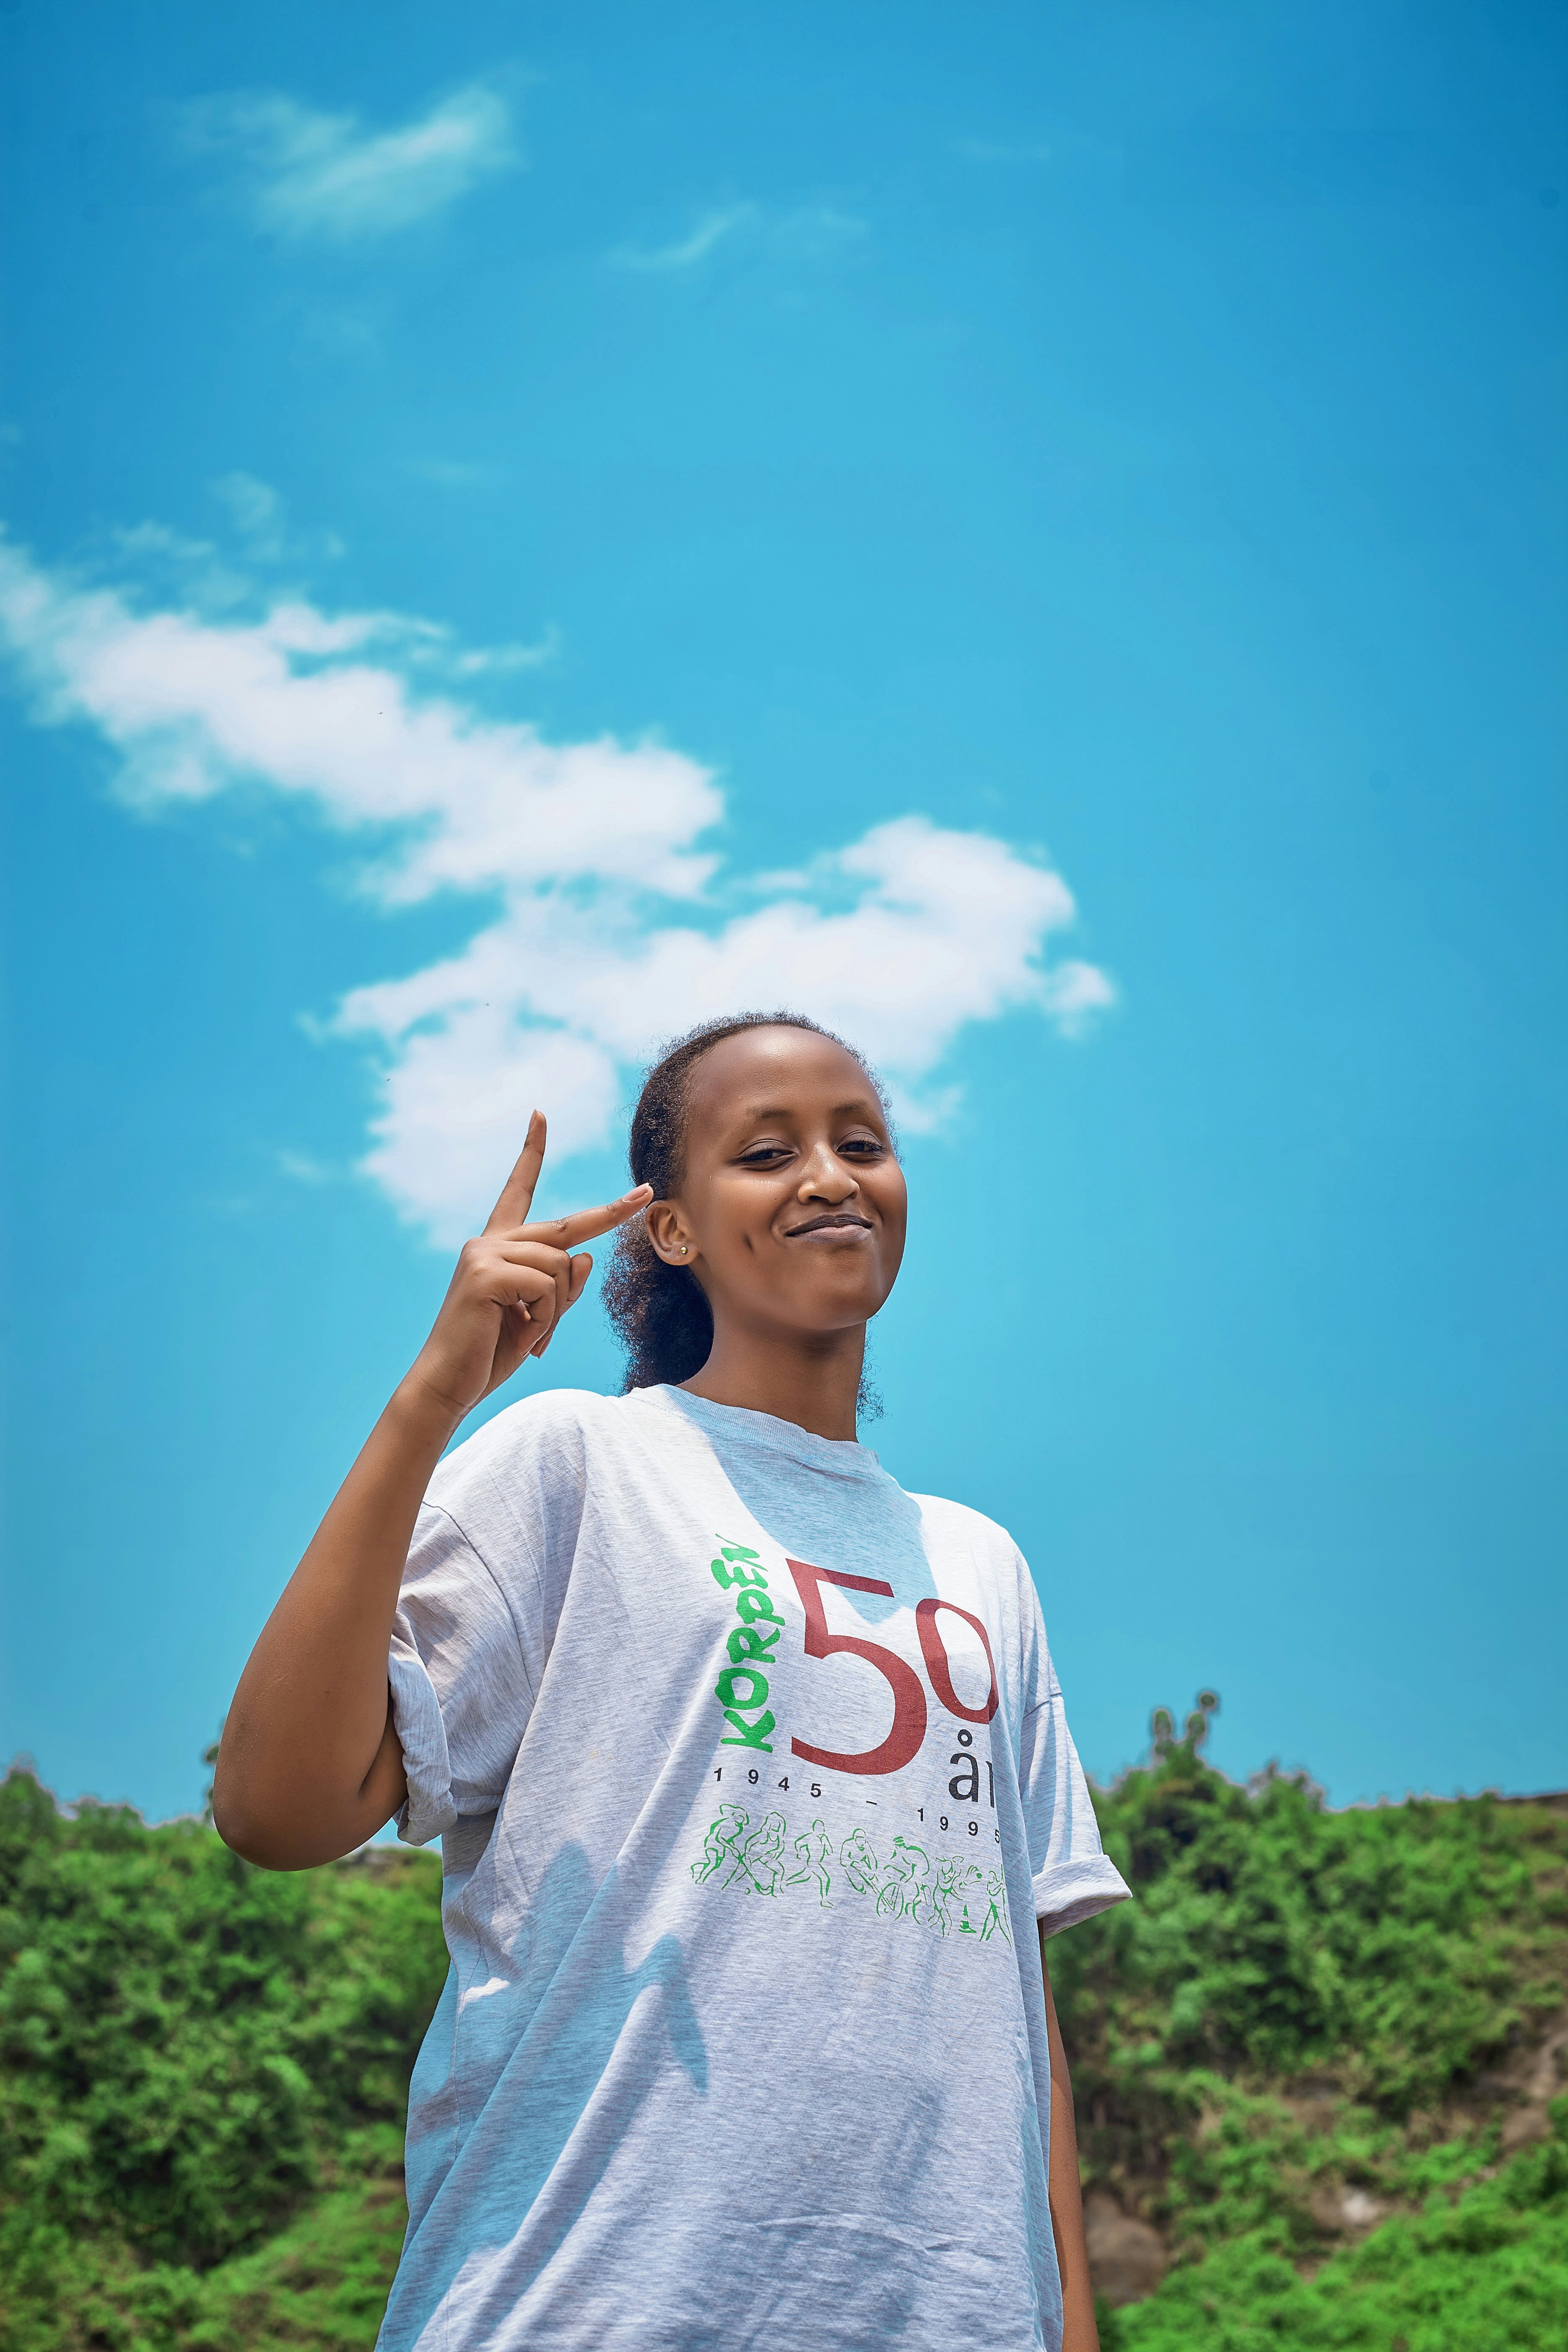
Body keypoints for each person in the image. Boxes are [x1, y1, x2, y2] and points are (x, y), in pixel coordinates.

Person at [214, 1011, 1130, 2352]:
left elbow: (1011, 1991)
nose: (828, 1175)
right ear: (674, 1229)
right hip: (585, 2304)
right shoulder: (581, 1464)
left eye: (859, 1142)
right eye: (767, 1152)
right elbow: (277, 1810)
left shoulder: (979, 1562)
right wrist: (432, 1397)